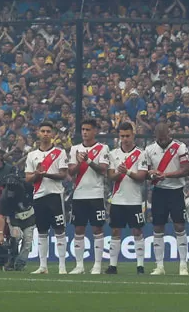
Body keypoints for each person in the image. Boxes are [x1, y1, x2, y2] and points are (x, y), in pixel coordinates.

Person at [143, 119, 189, 276]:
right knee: (157, 227)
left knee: (179, 226)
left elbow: (186, 170)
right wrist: (152, 174)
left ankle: (183, 265)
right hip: (159, 191)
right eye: (159, 138)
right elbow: (146, 171)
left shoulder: (179, 147)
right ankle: (159, 266)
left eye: (164, 137)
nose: (161, 141)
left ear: (169, 134)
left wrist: (166, 174)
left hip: (176, 191)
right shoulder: (149, 149)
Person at [22, 121, 68, 275]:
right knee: (42, 231)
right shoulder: (32, 155)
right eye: (43, 131)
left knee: (59, 230)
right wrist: (37, 174)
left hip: (55, 195)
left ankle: (62, 266)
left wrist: (46, 174)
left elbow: (63, 175)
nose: (46, 134)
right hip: (39, 195)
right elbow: (27, 178)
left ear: (53, 134)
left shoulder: (60, 153)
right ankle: (43, 266)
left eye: (48, 131)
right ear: (38, 133)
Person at [103, 120, 148, 275]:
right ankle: (113, 266)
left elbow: (142, 177)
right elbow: (110, 176)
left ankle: (140, 266)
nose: (125, 139)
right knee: (115, 231)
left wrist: (127, 172)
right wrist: (119, 173)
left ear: (133, 135)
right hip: (117, 199)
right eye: (122, 136)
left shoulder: (141, 154)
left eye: (127, 136)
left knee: (137, 231)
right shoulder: (113, 154)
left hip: (134, 200)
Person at [66, 118, 109, 276]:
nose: (85, 132)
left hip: (96, 194)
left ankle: (97, 265)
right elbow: (70, 172)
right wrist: (78, 163)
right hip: (79, 195)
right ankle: (79, 265)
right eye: (83, 129)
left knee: (97, 229)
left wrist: (88, 160)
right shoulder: (75, 149)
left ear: (95, 131)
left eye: (88, 129)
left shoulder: (102, 148)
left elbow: (103, 169)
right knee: (78, 229)